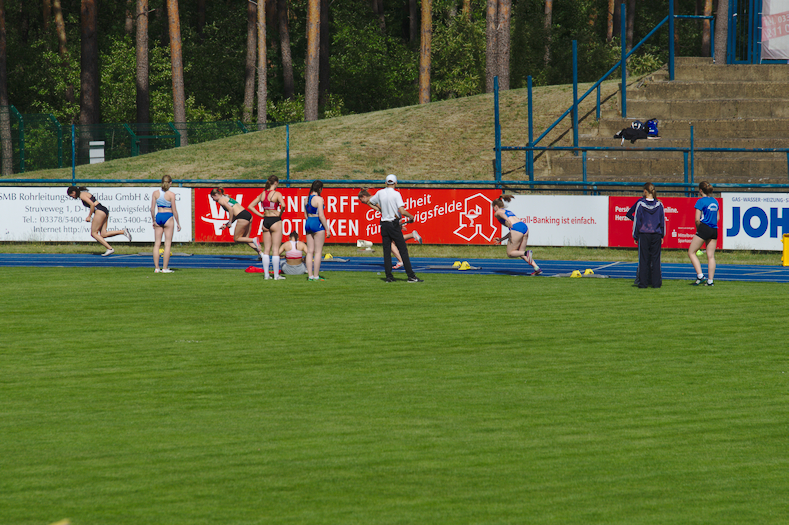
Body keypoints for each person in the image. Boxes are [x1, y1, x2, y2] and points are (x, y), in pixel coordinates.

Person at [360, 175, 423, 283]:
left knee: (387, 251)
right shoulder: (396, 194)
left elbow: (370, 202)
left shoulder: (380, 192)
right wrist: (411, 217)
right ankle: (411, 276)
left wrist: (380, 210)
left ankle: (389, 277)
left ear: (386, 183)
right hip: (393, 224)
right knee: (403, 250)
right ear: (396, 183)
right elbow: (402, 211)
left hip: (384, 224)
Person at [67, 185, 132, 256]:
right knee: (103, 234)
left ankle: (110, 248)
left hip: (99, 211)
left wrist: (89, 216)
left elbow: (92, 205)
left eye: (71, 195)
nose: (72, 197)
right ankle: (123, 231)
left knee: (94, 233)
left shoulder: (82, 195)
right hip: (103, 210)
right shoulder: (84, 193)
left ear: (74, 192)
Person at [626, 182, 665, 288]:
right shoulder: (659, 204)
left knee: (643, 259)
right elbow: (662, 221)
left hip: (644, 233)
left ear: (645, 191)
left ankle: (643, 283)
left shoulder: (641, 204)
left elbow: (637, 221)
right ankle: (656, 283)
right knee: (656, 259)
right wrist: (662, 235)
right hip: (656, 234)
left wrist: (635, 235)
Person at [491, 195, 542, 275]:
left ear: (496, 206)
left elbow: (500, 214)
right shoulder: (508, 211)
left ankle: (526, 253)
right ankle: (536, 268)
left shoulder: (498, 212)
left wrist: (507, 220)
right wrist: (501, 239)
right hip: (524, 227)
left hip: (516, 229)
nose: (493, 209)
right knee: (521, 253)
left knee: (510, 253)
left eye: (493, 207)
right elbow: (512, 232)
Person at [248, 175, 285, 279]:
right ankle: (276, 275)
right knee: (275, 249)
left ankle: (266, 275)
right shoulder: (277, 194)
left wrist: (260, 215)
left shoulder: (263, 194)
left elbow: (250, 206)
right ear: (276, 183)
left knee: (266, 250)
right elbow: (283, 205)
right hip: (275, 220)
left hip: (266, 221)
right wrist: (280, 213)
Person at [209, 187, 263, 257]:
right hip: (247, 214)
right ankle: (261, 254)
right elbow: (235, 214)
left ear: (215, 195)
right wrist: (226, 225)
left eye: (212, 198)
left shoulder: (220, 200)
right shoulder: (226, 198)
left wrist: (230, 223)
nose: (213, 200)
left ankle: (254, 239)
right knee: (246, 239)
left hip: (242, 217)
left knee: (237, 239)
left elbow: (231, 209)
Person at [688, 181, 719, 286]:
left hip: (704, 228)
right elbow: (718, 217)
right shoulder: (715, 201)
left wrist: (699, 229)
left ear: (701, 190)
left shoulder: (700, 201)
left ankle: (700, 275)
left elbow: (697, 219)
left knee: (691, 252)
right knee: (711, 256)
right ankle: (710, 281)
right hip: (714, 229)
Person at [150, 175, 182, 273]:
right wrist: (178, 223)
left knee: (157, 244)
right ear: (170, 183)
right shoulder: (171, 194)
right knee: (167, 244)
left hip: (159, 215)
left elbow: (152, 209)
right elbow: (174, 210)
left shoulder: (155, 193)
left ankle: (156, 268)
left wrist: (153, 220)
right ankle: (164, 268)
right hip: (168, 217)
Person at [304, 180, 331, 281]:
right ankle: (316, 276)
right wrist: (327, 229)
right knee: (318, 251)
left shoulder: (306, 199)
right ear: (320, 189)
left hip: (308, 222)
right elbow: (321, 215)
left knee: (309, 251)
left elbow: (305, 215)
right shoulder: (319, 199)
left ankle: (310, 276)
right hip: (316, 222)